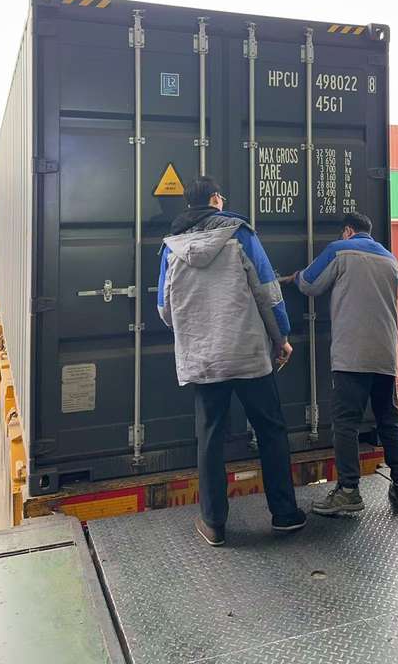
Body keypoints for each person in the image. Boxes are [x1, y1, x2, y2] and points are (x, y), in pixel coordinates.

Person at [157, 175, 306, 546]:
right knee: (270, 430)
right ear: (215, 199)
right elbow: (268, 293)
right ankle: (285, 515)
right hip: (248, 354)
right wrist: (282, 338)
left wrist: (196, 328)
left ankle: (214, 524)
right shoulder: (240, 235)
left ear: (188, 205)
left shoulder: (171, 247)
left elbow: (164, 310)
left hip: (204, 360)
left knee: (209, 438)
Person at [282, 211, 398, 516]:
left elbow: (310, 283)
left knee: (345, 423)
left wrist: (294, 277)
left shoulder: (340, 250)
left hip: (352, 355)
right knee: (389, 419)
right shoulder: (391, 260)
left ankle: (349, 491)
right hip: (385, 354)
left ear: (348, 231)